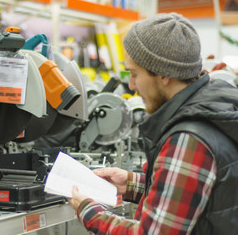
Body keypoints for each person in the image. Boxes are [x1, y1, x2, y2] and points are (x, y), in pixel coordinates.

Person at [67, 12, 238, 234]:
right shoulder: (213, 110)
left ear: (163, 74)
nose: (131, 85)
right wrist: (130, 183)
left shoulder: (188, 138)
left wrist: (89, 211)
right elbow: (196, 194)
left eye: (134, 74)